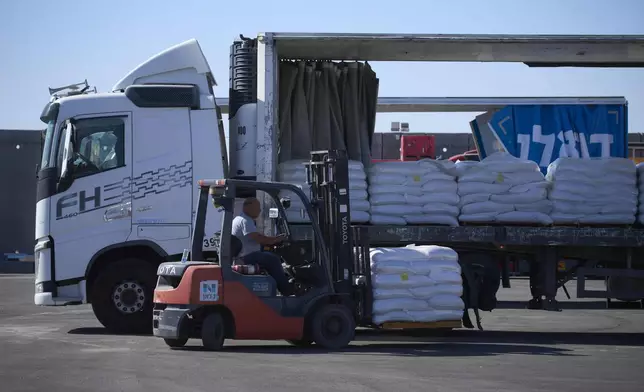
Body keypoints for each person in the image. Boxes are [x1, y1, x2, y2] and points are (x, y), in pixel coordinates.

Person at [231, 197, 294, 296]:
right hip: (246, 257)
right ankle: (287, 291)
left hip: (245, 255)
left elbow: (255, 240)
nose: (260, 210)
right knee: (273, 260)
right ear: (248, 207)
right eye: (257, 207)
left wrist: (273, 241)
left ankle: (281, 284)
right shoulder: (245, 220)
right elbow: (259, 238)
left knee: (270, 255)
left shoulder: (240, 219)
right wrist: (276, 239)